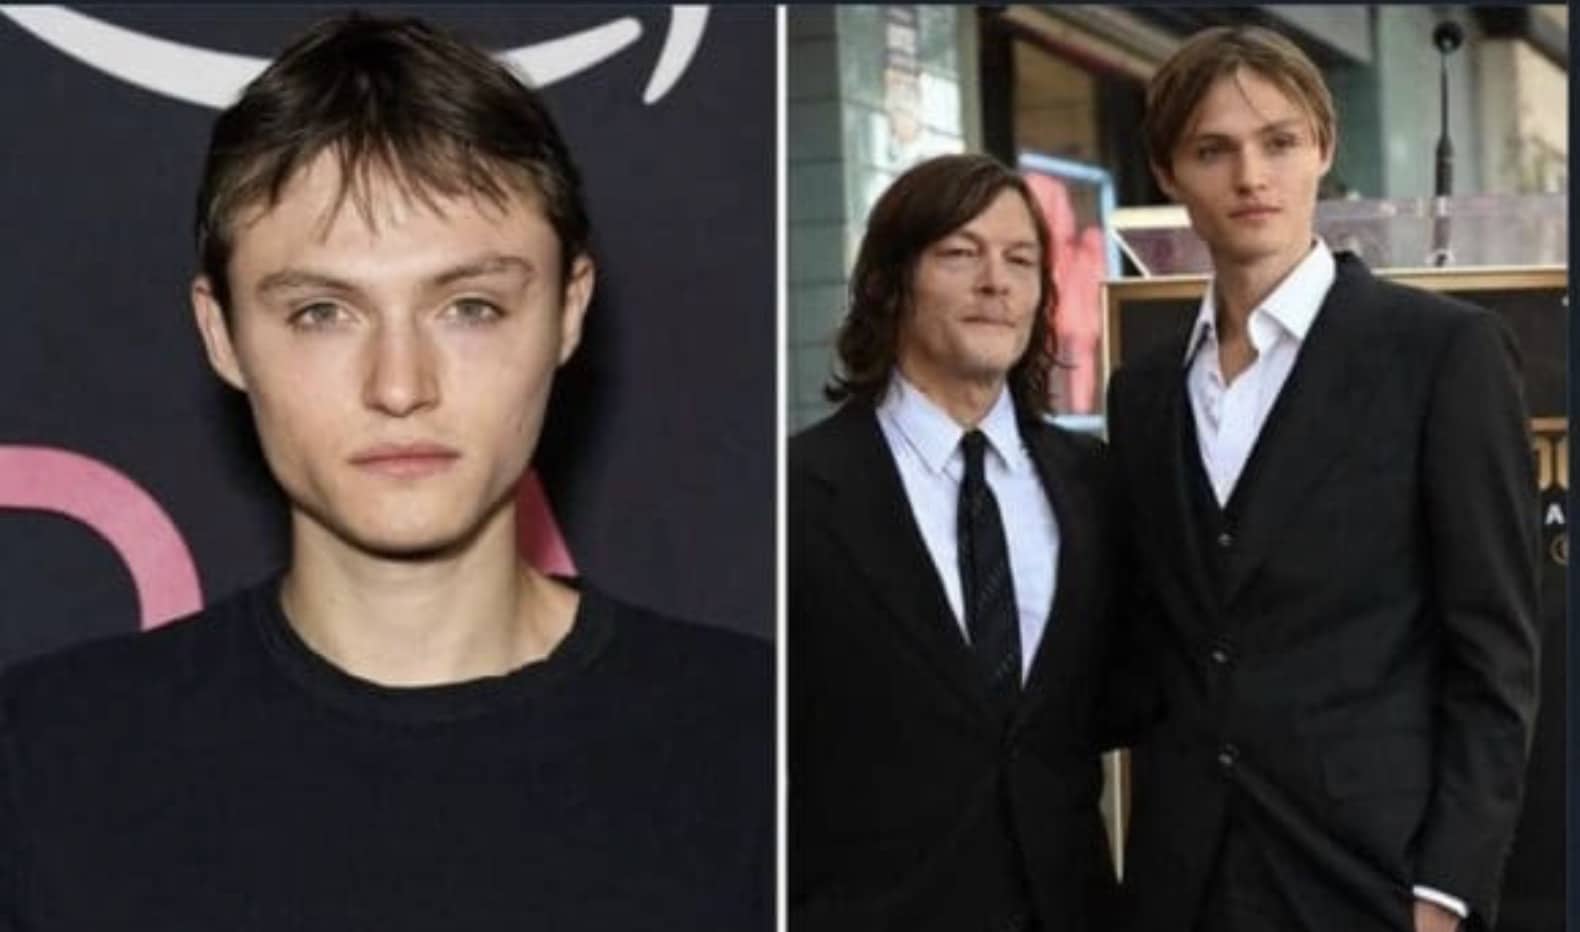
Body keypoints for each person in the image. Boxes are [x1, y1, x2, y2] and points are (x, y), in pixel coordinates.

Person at [0, 14, 770, 930]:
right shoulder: (48, 761)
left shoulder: (757, 738)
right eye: (324, 312)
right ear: (222, 334)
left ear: (568, 312)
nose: (400, 385)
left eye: (470, 307)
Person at [1105, 25, 1540, 932]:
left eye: (1280, 142)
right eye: (1213, 150)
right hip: (1179, 888)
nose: (1251, 177)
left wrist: (1447, 893)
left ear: (1324, 151)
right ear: (1169, 172)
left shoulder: (1440, 355)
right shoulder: (1142, 392)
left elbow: (1494, 656)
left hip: (1368, 884)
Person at [789, 153, 1124, 932]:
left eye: (1020, 260)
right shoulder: (796, 493)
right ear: (891, 282)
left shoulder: (1097, 485)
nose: (995, 283)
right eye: (960, 254)